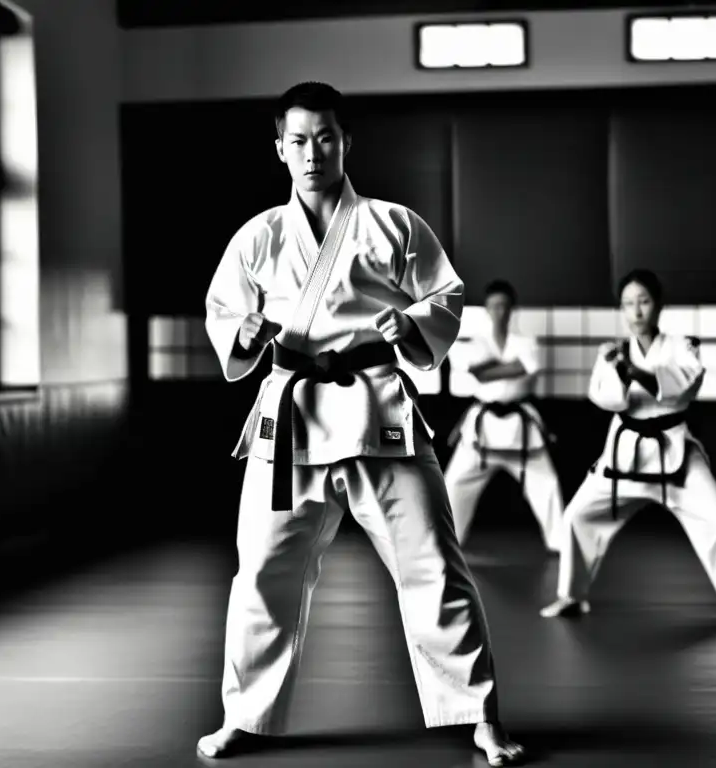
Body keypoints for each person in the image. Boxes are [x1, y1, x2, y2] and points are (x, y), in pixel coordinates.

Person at [199, 81, 525, 766]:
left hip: (377, 408)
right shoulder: (258, 237)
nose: (312, 153)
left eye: (325, 137)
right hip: (290, 415)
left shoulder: (394, 224)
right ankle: (243, 714)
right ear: (279, 148)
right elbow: (224, 314)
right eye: (298, 140)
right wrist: (246, 333)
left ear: (346, 142)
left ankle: (480, 715)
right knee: (260, 573)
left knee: (435, 567)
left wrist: (409, 322)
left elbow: (447, 295)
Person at [539, 269, 716, 632]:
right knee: (576, 517)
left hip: (675, 453)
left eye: (644, 302)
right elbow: (605, 398)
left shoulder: (683, 346)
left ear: (659, 304)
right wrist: (618, 369)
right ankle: (572, 595)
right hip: (623, 455)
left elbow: (683, 386)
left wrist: (630, 369)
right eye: (628, 304)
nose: (636, 312)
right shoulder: (613, 352)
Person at [445, 279, 564, 552]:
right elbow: (478, 372)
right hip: (483, 427)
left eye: (504, 306)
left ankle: (559, 543)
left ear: (512, 310)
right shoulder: (476, 342)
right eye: (494, 306)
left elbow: (521, 368)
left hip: (521, 427)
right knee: (454, 483)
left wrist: (490, 370)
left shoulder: (527, 342)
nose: (499, 311)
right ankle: (450, 540)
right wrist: (508, 367)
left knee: (546, 484)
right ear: (487, 309)